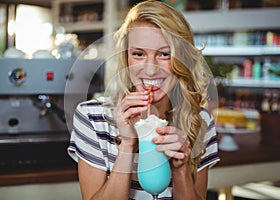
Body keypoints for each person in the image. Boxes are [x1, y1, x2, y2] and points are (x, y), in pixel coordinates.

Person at [67, 1, 220, 199]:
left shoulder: (200, 120)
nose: (150, 69)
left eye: (165, 54)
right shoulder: (93, 117)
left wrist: (181, 170)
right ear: (126, 58)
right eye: (138, 54)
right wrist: (127, 146)